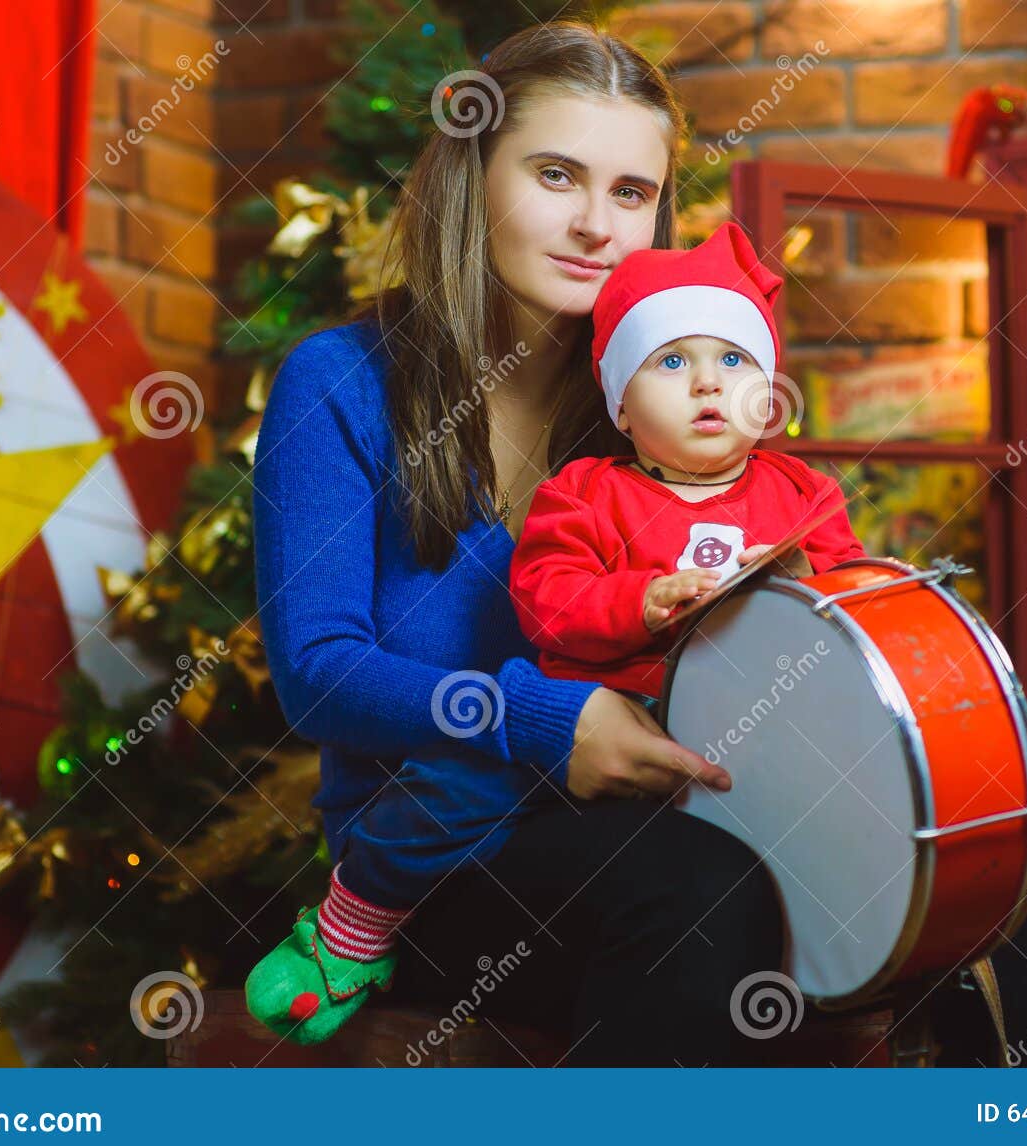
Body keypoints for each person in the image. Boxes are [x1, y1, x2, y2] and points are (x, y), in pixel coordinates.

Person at [242, 21, 785, 1065]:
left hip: (663, 808)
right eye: (554, 174)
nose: (594, 225)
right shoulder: (342, 381)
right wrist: (545, 719)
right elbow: (314, 676)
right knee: (693, 893)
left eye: (631, 194)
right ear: (471, 176)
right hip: (438, 858)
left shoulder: (660, 397)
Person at [508, 218, 868, 713]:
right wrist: (643, 602)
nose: (707, 382)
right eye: (672, 362)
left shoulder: (806, 493)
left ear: (766, 400)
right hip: (629, 714)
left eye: (734, 360)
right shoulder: (582, 494)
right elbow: (545, 600)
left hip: (777, 715)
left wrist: (806, 579)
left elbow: (862, 599)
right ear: (623, 409)